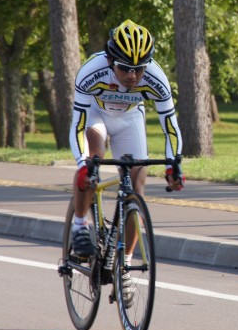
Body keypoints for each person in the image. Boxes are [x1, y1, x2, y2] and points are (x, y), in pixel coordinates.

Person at [69, 19, 184, 263]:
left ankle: (125, 263)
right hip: (95, 114)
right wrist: (81, 164)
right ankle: (79, 226)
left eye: (140, 69)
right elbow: (78, 125)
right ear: (111, 61)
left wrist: (173, 163)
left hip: (130, 117)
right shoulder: (91, 71)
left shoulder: (156, 78)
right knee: (93, 161)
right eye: (125, 68)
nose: (133, 76)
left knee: (136, 183)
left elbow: (170, 127)